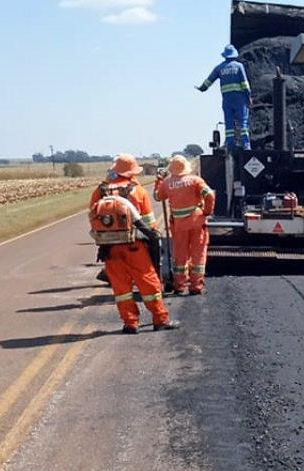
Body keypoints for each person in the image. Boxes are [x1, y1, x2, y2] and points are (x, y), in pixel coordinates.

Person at [89, 154, 179, 334]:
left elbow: (94, 217)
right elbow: (150, 223)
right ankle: (160, 319)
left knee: (121, 287)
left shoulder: (101, 191)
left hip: (110, 248)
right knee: (149, 284)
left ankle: (130, 323)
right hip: (135, 246)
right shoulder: (137, 191)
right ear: (131, 172)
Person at [154, 155, 216, 295]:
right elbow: (209, 195)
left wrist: (159, 181)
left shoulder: (168, 183)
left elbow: (158, 197)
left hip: (179, 225)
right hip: (197, 222)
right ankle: (196, 286)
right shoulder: (195, 180)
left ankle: (180, 285)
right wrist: (207, 211)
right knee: (198, 255)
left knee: (180, 256)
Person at [197, 44, 252, 150]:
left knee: (229, 123)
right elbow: (245, 83)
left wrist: (202, 88)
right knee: (243, 121)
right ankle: (246, 145)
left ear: (225, 56)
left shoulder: (219, 68)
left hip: (227, 100)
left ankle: (231, 144)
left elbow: (209, 81)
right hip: (240, 99)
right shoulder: (239, 66)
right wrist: (248, 96)